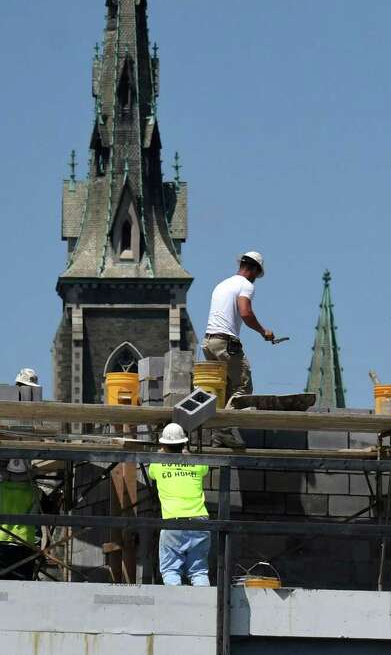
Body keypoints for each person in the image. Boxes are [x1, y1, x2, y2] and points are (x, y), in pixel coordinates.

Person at [203, 251, 274, 447]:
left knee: (225, 389)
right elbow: (245, 312)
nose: (255, 279)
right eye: (256, 275)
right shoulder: (246, 285)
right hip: (225, 342)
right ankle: (223, 431)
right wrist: (263, 331)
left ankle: (220, 432)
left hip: (209, 342)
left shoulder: (223, 284)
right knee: (244, 386)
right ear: (253, 270)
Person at [146, 423, 210, 586]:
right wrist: (188, 455)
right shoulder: (197, 463)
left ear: (163, 445)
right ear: (184, 443)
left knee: (171, 570)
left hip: (173, 521)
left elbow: (151, 474)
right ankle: (205, 609)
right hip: (200, 520)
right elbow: (205, 469)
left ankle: (175, 609)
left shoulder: (157, 465)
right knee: (199, 571)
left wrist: (161, 454)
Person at [0, 458, 58, 580]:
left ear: (8, 473)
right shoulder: (37, 492)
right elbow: (52, 514)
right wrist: (46, 544)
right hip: (25, 547)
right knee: (21, 588)